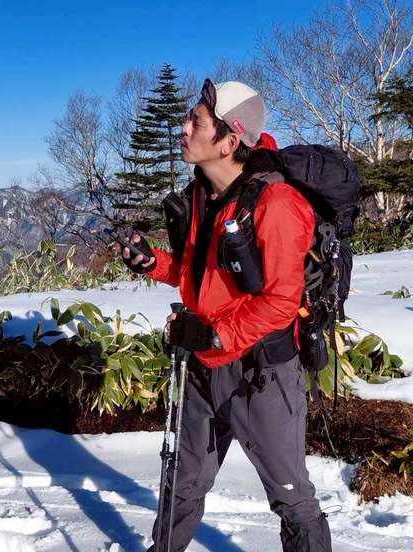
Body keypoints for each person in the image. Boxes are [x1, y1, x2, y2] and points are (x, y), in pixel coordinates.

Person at [116, 79, 332, 552]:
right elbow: (198, 273)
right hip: (203, 367)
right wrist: (153, 263)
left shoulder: (277, 204)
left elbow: (280, 301)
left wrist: (214, 335)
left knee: (292, 497)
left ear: (229, 141)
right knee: (182, 481)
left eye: (196, 122)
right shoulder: (203, 194)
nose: (183, 128)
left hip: (261, 373)